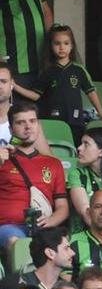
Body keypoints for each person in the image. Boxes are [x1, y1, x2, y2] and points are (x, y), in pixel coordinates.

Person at [16, 23, 102, 144]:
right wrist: (14, 86)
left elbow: (91, 91)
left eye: (66, 43)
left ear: (72, 46)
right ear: (51, 46)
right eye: (57, 43)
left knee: (76, 151)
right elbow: (35, 95)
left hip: (76, 121)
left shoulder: (79, 69)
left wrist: (101, 112)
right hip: (54, 121)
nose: (62, 47)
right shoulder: (48, 72)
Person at [0, 101, 68, 246]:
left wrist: (50, 221)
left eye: (32, 121)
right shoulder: (2, 159)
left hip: (44, 228)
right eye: (20, 122)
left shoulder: (53, 164)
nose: (28, 127)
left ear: (38, 126)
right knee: (17, 242)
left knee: (64, 246)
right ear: (11, 129)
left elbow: (63, 207)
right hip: (9, 227)